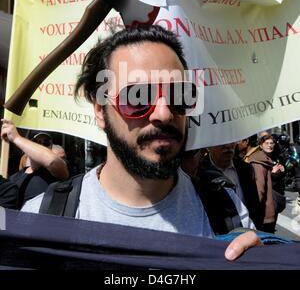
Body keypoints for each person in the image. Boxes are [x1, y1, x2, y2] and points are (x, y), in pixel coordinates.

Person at [21, 25, 261, 260]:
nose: (164, 114)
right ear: (100, 111)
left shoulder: (226, 210)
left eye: (179, 96)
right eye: (138, 97)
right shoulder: (41, 218)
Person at [0, 120, 69, 208]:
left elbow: (52, 161)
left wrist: (16, 138)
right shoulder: (14, 178)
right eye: (36, 142)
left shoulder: (57, 170)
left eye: (46, 142)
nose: (41, 145)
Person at [200, 143, 263, 230]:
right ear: (209, 147)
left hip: (248, 231)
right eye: (221, 142)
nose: (228, 146)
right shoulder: (200, 171)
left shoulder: (246, 169)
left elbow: (254, 204)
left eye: (231, 141)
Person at [248, 134, 285, 233]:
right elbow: (259, 188)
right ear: (261, 145)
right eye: (267, 143)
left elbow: (276, 184)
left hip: (272, 203)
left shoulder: (273, 158)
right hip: (263, 210)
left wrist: (280, 172)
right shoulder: (259, 161)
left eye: (271, 143)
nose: (269, 145)